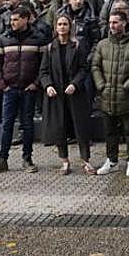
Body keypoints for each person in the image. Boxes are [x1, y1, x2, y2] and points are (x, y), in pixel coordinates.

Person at [0, 6, 46, 175]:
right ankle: (2, 159)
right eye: (11, 20)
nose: (12, 23)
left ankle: (27, 158)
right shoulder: (3, 39)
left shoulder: (38, 39)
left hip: (29, 88)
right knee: (7, 125)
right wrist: (2, 85)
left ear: (26, 19)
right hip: (9, 88)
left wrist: (36, 83)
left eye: (16, 19)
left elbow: (44, 64)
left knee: (27, 125)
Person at [91, 11, 129, 177]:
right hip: (107, 95)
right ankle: (112, 160)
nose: (112, 25)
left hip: (126, 95)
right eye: (110, 22)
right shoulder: (103, 44)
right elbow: (95, 66)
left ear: (124, 23)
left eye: (115, 22)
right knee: (110, 131)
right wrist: (101, 85)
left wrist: (128, 85)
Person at [38, 14, 95, 175]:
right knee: (59, 128)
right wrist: (48, 85)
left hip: (75, 94)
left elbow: (84, 68)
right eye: (59, 24)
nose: (62, 27)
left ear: (70, 27)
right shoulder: (50, 48)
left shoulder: (77, 46)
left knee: (81, 128)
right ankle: (64, 161)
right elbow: (43, 71)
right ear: (55, 27)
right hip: (57, 95)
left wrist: (75, 84)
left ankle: (86, 160)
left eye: (65, 24)